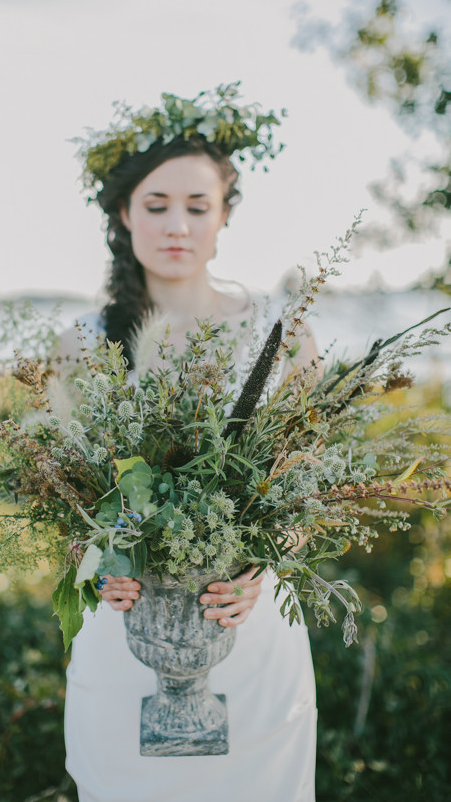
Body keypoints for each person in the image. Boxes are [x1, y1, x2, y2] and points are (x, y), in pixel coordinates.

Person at [57, 85, 318, 802]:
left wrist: (267, 564)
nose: (178, 225)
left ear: (225, 215)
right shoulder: (82, 343)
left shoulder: (280, 330)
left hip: (251, 629)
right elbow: (59, 492)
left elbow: (312, 482)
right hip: (123, 628)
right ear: (123, 212)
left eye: (198, 207)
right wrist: (100, 566)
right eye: (157, 204)